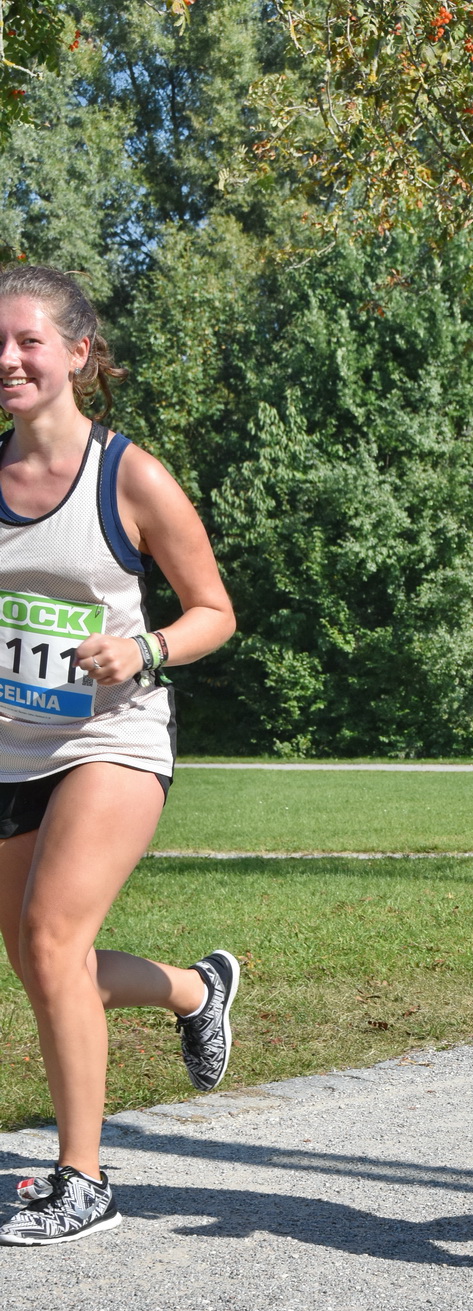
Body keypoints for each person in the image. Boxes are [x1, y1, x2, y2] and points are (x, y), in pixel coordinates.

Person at [0, 266, 238, 1247]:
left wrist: (143, 647)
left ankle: (83, 1176)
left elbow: (216, 612)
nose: (8, 359)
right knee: (40, 959)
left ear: (77, 355)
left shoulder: (128, 475)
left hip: (113, 734)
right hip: (12, 742)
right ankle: (195, 988)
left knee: (53, 937)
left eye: (27, 342)